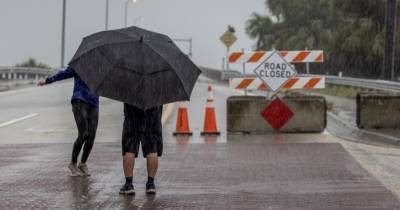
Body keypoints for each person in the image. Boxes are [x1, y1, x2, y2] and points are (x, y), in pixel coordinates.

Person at [37, 66, 99, 176]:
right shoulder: (80, 64)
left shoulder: (102, 67)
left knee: (91, 135)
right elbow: (63, 74)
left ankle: (83, 164)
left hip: (94, 102)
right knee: (84, 133)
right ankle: (73, 163)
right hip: (79, 100)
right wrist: (47, 80)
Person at [119, 103, 163, 195]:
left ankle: (129, 184)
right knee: (152, 147)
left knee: (129, 145)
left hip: (132, 105)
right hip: (152, 106)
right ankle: (150, 184)